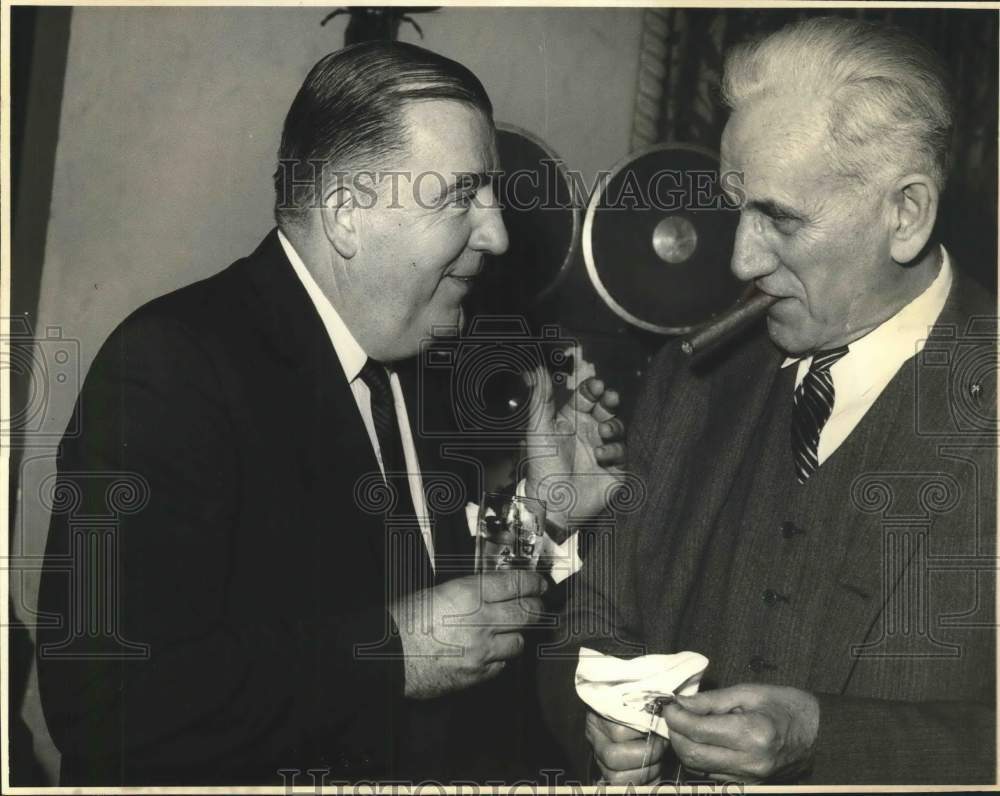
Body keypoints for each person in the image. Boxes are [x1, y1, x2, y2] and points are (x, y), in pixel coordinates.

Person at [37, 41, 626, 786]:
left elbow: (460, 648)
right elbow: (101, 702)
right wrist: (392, 654)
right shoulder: (171, 366)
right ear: (347, 214)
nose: (499, 234)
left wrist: (545, 518)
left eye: (495, 197)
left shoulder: (421, 365)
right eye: (461, 197)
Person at [540, 16, 996, 785]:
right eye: (735, 207)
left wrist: (826, 738)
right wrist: (602, 724)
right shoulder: (694, 378)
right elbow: (594, 622)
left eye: (780, 218)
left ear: (907, 213)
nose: (742, 258)